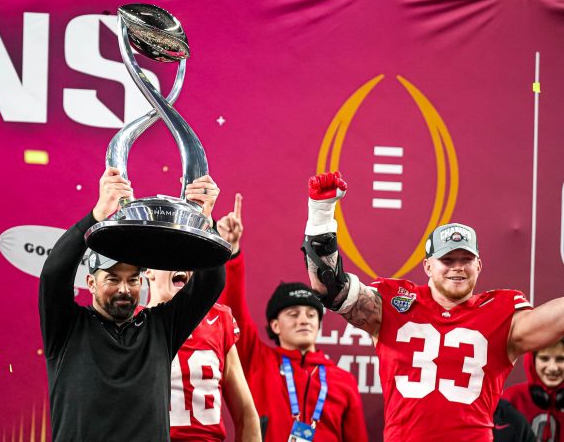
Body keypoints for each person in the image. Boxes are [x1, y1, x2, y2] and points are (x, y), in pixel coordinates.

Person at [301, 171, 564, 442]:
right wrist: (321, 213)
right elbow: (330, 288)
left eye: (466, 259)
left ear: (479, 266)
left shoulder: (500, 311)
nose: (458, 267)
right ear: (428, 265)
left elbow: (555, 319)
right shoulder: (394, 302)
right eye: (447, 260)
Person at [39, 167, 226, 442]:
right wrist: (97, 215)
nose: (124, 289)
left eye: (133, 279)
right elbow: (54, 274)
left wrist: (204, 219)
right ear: (90, 283)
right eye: (113, 279)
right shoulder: (66, 328)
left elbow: (211, 281)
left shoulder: (160, 329)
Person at [216, 193, 368, 442]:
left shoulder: (343, 381)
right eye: (293, 314)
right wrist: (232, 253)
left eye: (311, 314)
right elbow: (235, 311)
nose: (304, 320)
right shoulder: (257, 361)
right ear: (275, 325)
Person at [143, 267, 261, 441]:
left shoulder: (219, 320)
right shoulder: (134, 325)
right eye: (172, 256)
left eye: (189, 258)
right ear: (149, 270)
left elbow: (246, 415)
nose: (182, 264)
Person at [503, 338, 564, 441]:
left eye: (560, 359)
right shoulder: (513, 397)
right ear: (532, 361)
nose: (553, 368)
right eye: (544, 358)